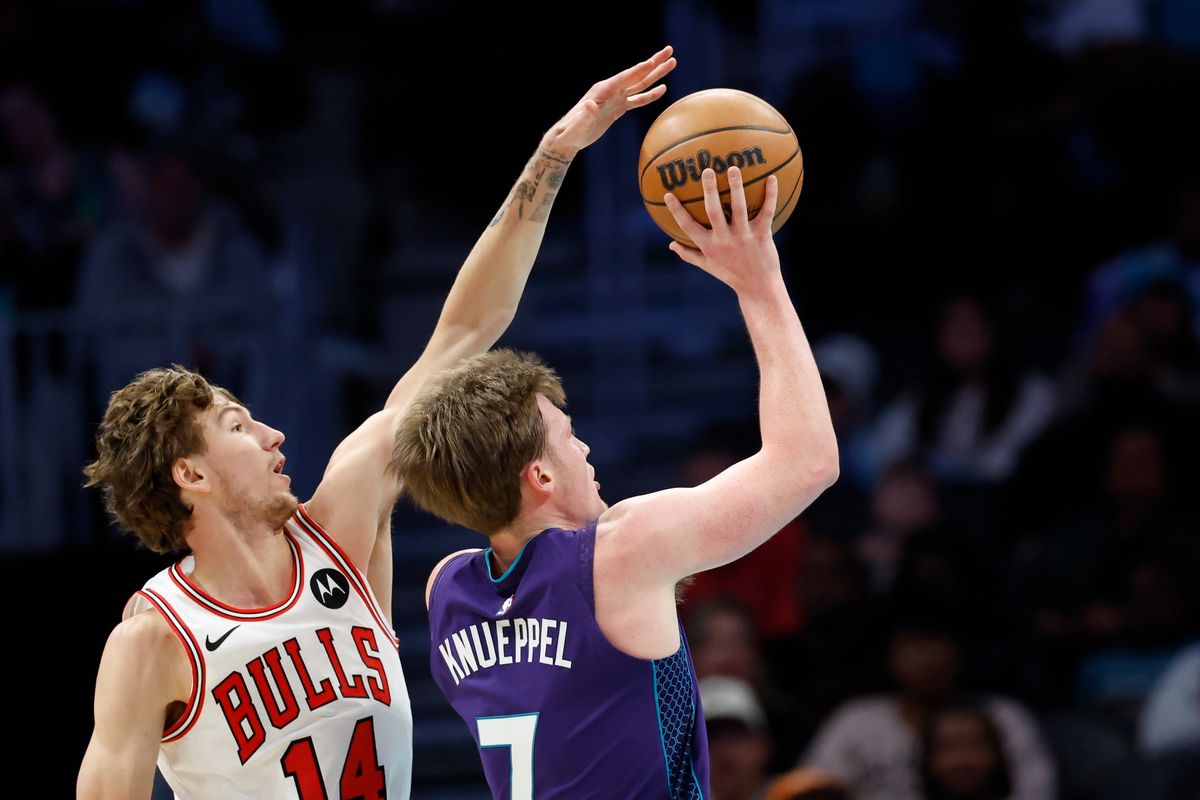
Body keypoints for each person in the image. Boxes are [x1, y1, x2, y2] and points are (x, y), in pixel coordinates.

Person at [75, 46, 678, 800]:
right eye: (237, 427)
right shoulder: (154, 639)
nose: (272, 435)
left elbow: (465, 332)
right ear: (189, 473)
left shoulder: (342, 527)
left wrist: (553, 154)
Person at [392, 165, 840, 797]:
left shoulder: (447, 591)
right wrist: (759, 282)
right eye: (567, 434)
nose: (584, 448)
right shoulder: (617, 552)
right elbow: (808, 461)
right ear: (540, 473)